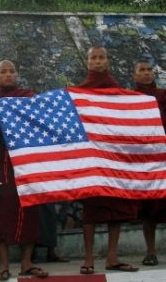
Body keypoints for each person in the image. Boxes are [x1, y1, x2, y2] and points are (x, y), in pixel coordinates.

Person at [0, 60, 48, 280]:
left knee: (30, 211)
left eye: (12, 71)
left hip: (26, 163)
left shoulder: (28, 97)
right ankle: (3, 264)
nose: (8, 75)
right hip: (2, 165)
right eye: (3, 71)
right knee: (1, 212)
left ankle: (26, 262)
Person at [78, 46, 139, 274]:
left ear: (107, 61)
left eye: (101, 57)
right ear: (88, 63)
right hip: (92, 158)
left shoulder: (118, 91)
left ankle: (112, 257)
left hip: (114, 157)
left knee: (116, 208)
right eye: (93, 58)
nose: (97, 61)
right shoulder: (80, 92)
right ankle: (88, 258)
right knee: (90, 211)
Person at [133, 60, 166, 266]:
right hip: (144, 158)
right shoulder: (129, 98)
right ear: (134, 75)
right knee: (148, 209)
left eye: (148, 71)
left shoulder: (163, 95)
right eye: (141, 71)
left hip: (164, 154)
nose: (146, 74)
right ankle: (151, 251)